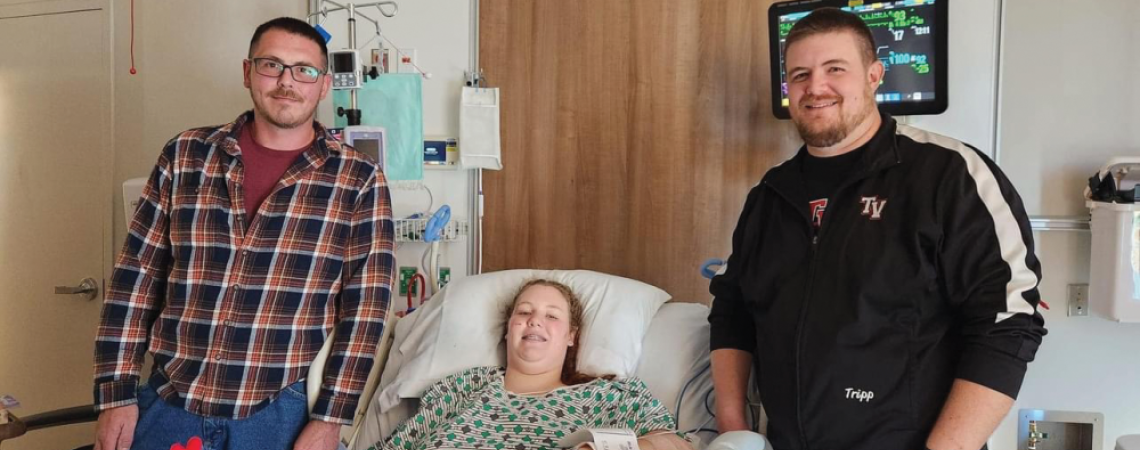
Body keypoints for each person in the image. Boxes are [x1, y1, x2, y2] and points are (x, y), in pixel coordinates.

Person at [708, 8, 1047, 450]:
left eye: (835, 69)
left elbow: (1009, 320)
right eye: (800, 74)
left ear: (873, 75)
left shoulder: (949, 175)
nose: (816, 87)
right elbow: (732, 311)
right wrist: (733, 428)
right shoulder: (770, 196)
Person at [92, 17, 395, 450]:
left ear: (324, 85)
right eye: (271, 64)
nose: (287, 81)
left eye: (304, 70)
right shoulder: (186, 156)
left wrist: (331, 418)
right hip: (169, 403)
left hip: (280, 416)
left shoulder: (357, 180)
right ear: (247, 71)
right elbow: (133, 281)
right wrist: (115, 394)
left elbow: (365, 310)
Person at [369, 279, 692, 450]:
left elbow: (679, 446)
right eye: (524, 313)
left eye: (552, 316)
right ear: (508, 329)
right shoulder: (459, 389)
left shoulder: (609, 397)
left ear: (571, 336)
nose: (535, 321)